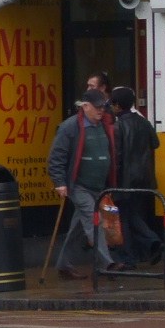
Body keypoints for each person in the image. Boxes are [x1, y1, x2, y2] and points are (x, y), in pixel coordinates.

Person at [47, 89, 117, 279]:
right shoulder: (70, 127)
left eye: (103, 107)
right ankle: (107, 263)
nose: (101, 110)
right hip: (78, 185)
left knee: (78, 227)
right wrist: (59, 182)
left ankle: (63, 264)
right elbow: (56, 157)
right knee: (93, 220)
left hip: (99, 185)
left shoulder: (105, 125)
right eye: (97, 107)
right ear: (85, 106)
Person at [109, 86, 163, 266]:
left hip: (125, 179)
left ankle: (133, 253)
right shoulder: (143, 122)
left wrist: (110, 179)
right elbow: (155, 143)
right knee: (134, 213)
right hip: (145, 178)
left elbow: (116, 155)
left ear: (117, 105)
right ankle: (147, 246)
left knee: (124, 216)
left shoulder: (118, 126)